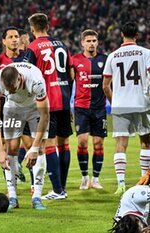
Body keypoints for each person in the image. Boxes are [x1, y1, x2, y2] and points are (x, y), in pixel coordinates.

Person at [24, 12, 74, 200]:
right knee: (64, 143)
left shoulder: (33, 47)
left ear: (32, 28)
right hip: (64, 98)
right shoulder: (62, 44)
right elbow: (71, 74)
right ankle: (63, 188)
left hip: (47, 102)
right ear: (48, 26)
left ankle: (57, 190)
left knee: (49, 144)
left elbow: (28, 74)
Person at [0, 63, 49, 210]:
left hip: (34, 108)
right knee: (10, 149)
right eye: (7, 90)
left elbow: (45, 115)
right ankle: (13, 197)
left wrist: (34, 148)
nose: (10, 91)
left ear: (19, 79)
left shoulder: (35, 81)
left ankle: (37, 197)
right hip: (12, 109)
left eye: (13, 89)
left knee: (40, 150)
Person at [103, 21, 150, 195]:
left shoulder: (112, 56)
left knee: (120, 145)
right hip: (142, 104)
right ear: (137, 35)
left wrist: (115, 102)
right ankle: (144, 181)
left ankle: (121, 184)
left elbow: (105, 85)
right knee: (146, 142)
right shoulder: (146, 53)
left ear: (121, 34)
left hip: (121, 105)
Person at [0, 26, 30, 183]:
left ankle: (34, 186)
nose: (14, 39)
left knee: (29, 144)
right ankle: (11, 183)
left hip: (26, 108)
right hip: (6, 109)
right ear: (4, 41)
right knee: (6, 146)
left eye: (16, 36)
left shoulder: (27, 58)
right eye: (11, 37)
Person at [71, 29, 108, 190]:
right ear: (82, 43)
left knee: (98, 143)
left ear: (97, 42)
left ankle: (96, 179)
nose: (91, 43)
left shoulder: (105, 60)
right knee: (82, 141)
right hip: (81, 107)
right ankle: (85, 177)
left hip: (100, 108)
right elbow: (69, 81)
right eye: (88, 41)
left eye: (94, 41)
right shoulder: (75, 60)